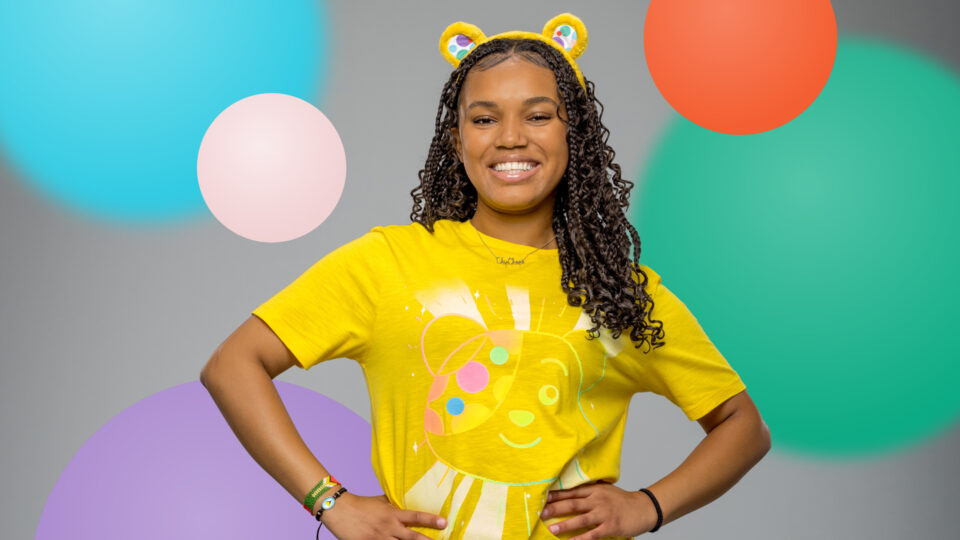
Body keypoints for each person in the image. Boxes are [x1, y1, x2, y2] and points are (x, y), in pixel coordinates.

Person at [200, 13, 771, 540]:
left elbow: (742, 425)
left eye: (539, 115)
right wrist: (332, 502)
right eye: (484, 118)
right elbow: (233, 366)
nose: (510, 137)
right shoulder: (386, 262)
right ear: (459, 138)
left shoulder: (617, 291)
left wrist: (646, 506)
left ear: (575, 134)